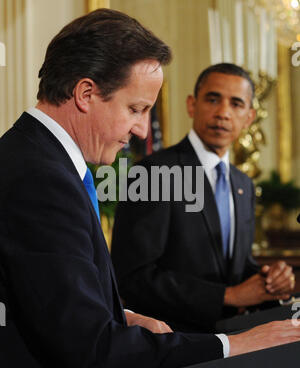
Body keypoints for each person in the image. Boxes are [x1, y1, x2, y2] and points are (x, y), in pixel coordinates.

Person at [0, 10, 299, 368]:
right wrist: (236, 344)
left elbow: (47, 298)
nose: (143, 130)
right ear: (86, 93)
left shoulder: (39, 160)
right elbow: (88, 347)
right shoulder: (42, 177)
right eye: (136, 109)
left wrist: (119, 316)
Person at [111, 63, 296, 333]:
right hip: (172, 343)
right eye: (213, 99)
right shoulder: (155, 172)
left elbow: (237, 266)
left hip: (235, 339)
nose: (222, 113)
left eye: (236, 104)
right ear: (191, 105)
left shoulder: (243, 184)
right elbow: (133, 276)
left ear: (249, 116)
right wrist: (228, 296)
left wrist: (271, 280)